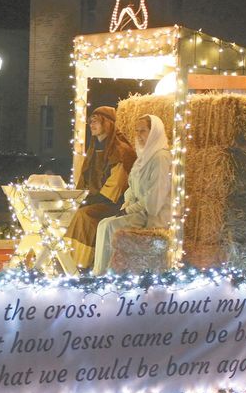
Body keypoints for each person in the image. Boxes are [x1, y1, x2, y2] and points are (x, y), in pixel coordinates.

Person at [92, 114, 171, 275]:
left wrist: (129, 210)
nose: (139, 136)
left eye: (143, 131)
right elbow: (132, 188)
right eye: (137, 131)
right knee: (103, 223)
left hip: (152, 216)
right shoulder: (143, 157)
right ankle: (98, 272)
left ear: (154, 132)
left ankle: (107, 274)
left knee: (110, 226)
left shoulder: (160, 158)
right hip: (140, 211)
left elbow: (154, 199)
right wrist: (127, 204)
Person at [65, 106, 136, 268]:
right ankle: (66, 259)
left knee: (84, 216)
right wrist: (80, 197)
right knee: (71, 213)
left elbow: (117, 184)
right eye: (91, 121)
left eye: (97, 121)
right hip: (96, 200)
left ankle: (79, 263)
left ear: (108, 123)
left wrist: (91, 200)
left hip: (115, 204)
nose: (92, 124)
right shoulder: (94, 148)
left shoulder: (121, 150)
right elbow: (85, 178)